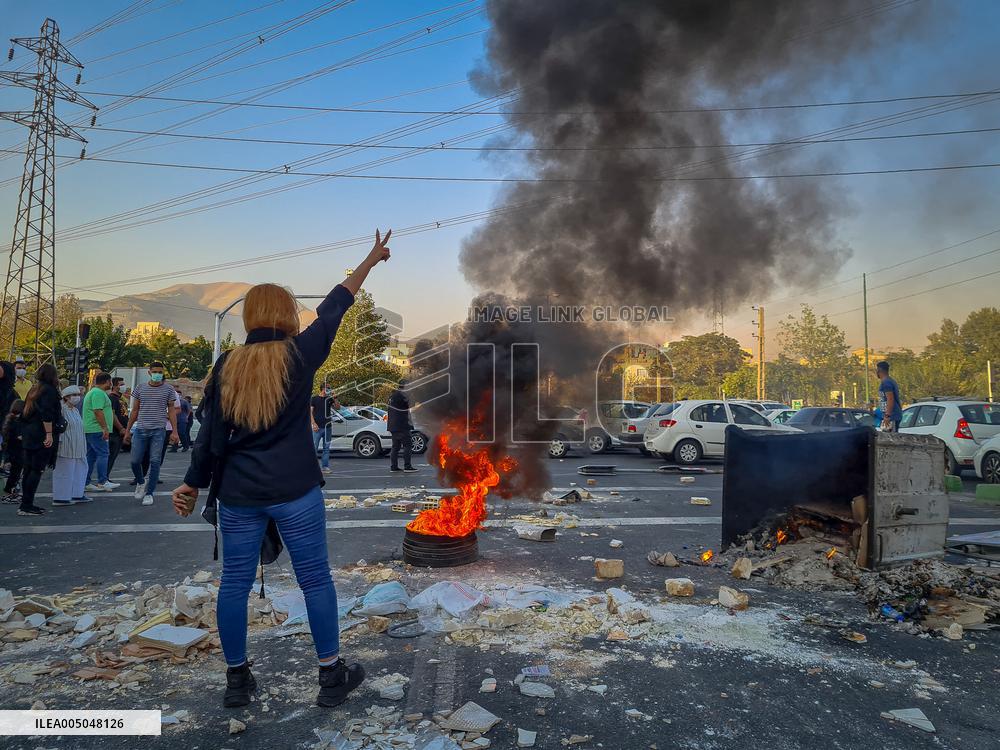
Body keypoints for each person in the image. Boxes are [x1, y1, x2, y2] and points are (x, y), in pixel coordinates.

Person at [171, 228, 392, 709]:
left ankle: (237, 681)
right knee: (315, 579)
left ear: (250, 317)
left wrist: (191, 484)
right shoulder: (301, 353)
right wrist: (370, 260)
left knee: (233, 584)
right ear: (288, 315)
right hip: (296, 490)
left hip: (238, 496)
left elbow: (209, 439)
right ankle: (331, 676)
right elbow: (336, 304)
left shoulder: (227, 365)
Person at [124, 362, 178, 506]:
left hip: (158, 431)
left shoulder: (169, 389)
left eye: (160, 372)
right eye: (155, 371)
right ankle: (141, 481)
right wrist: (128, 431)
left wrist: (175, 431)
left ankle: (149, 493)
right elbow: (135, 410)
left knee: (155, 462)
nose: (158, 374)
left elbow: (172, 410)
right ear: (149, 372)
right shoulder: (140, 388)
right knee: (135, 461)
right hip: (141, 430)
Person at [18, 363, 61, 516]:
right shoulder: (49, 391)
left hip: (30, 434)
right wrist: (49, 434)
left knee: (29, 470)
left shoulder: (34, 389)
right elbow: (47, 413)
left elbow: (25, 412)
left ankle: (25, 503)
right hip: (41, 435)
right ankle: (27, 505)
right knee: (36, 470)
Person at [53, 386, 92, 506]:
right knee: (65, 472)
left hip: (79, 446)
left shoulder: (74, 410)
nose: (77, 397)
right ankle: (61, 497)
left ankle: (77, 494)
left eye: (78, 394)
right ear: (66, 397)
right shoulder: (62, 409)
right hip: (66, 445)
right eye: (74, 395)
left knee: (80, 469)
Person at [83, 372, 120, 493]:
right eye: (110, 382)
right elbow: (98, 411)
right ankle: (102, 481)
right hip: (97, 429)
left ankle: (86, 482)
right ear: (107, 381)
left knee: (91, 456)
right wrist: (104, 428)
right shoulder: (98, 393)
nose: (111, 384)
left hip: (92, 429)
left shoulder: (94, 392)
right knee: (103, 454)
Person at [387, 379, 417, 473]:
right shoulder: (402, 395)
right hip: (402, 425)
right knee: (407, 445)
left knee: (395, 447)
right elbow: (411, 405)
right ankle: (407, 466)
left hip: (393, 425)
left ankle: (394, 467)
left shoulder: (393, 395)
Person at [1, 399, 25, 504]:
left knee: (14, 472)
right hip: (17, 450)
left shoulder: (10, 419)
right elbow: (20, 436)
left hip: (11, 449)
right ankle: (9, 491)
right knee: (15, 473)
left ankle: (10, 490)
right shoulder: (17, 422)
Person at [107, 377, 127, 474]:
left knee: (113, 456)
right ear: (114, 386)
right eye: (121, 385)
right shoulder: (112, 398)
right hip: (114, 433)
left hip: (120, 433)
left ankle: (106, 477)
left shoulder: (120, 399)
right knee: (110, 456)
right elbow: (112, 414)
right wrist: (121, 428)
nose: (124, 386)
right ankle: (104, 478)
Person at [311, 384, 332, 474]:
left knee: (326, 448)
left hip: (328, 427)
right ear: (323, 389)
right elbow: (310, 412)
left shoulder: (329, 399)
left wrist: (335, 398)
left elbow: (338, 407)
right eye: (328, 388)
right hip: (317, 427)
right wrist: (313, 423)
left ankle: (325, 467)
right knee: (314, 448)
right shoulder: (314, 399)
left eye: (329, 388)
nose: (329, 390)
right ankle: (312, 467)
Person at [876, 360, 902, 432]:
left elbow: (890, 399)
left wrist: (887, 415)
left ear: (879, 370)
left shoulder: (886, 382)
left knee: (891, 439)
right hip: (890, 416)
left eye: (877, 370)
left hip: (892, 417)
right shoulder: (889, 381)